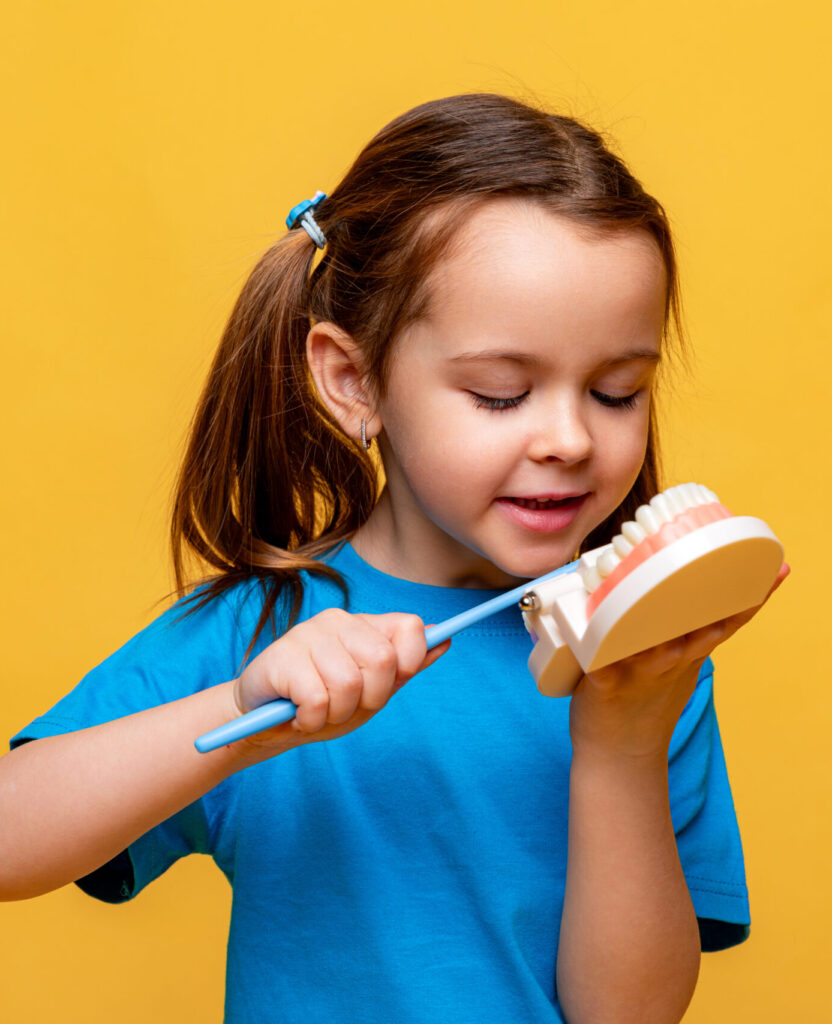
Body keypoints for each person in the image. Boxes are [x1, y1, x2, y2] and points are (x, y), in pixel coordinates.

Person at [0, 93, 786, 1023]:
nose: (571, 438)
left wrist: (621, 746)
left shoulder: (644, 662)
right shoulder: (261, 637)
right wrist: (245, 714)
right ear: (353, 380)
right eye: (501, 394)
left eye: (617, 393)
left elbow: (630, 1014)